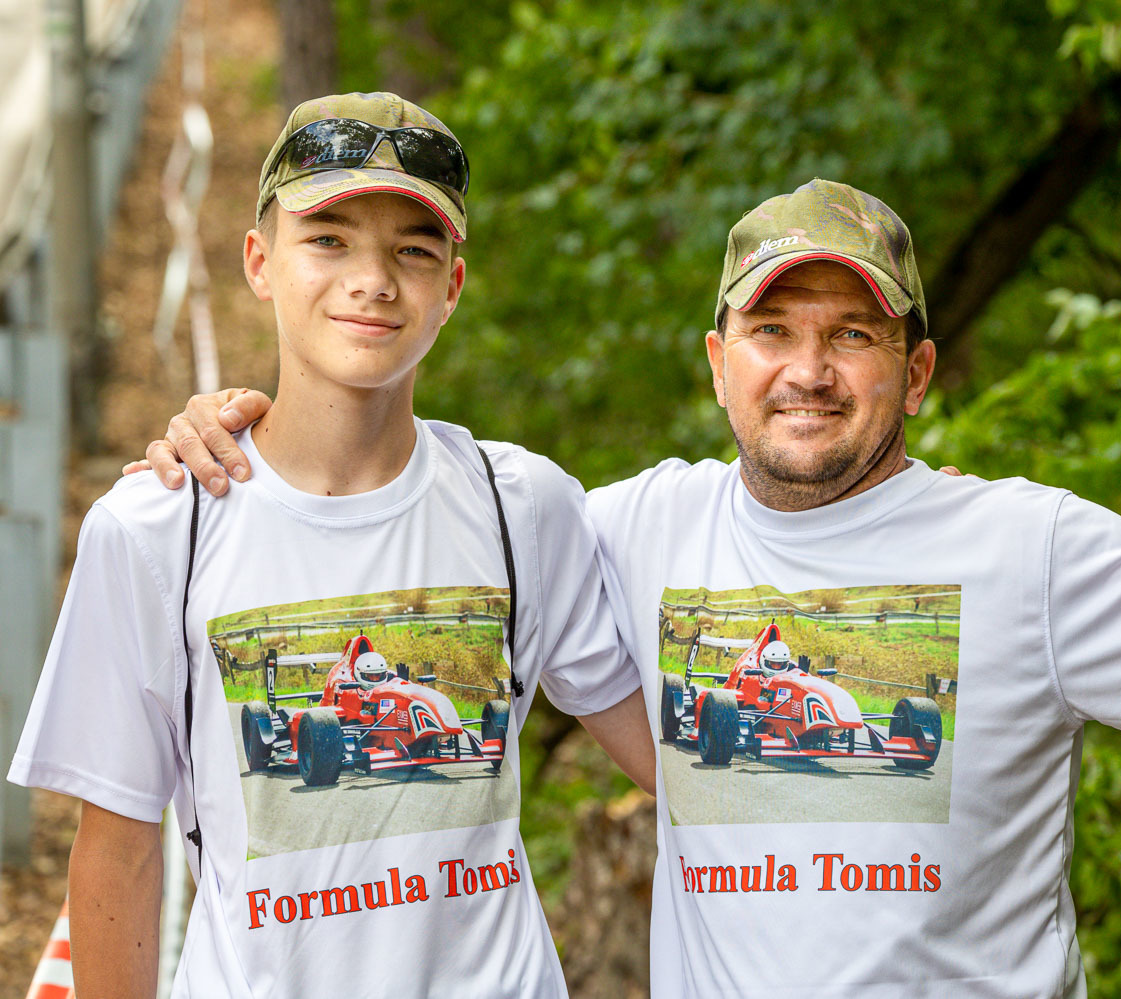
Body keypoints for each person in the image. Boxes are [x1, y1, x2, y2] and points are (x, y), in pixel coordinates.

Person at [135, 178, 1121, 997]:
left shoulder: (1028, 548)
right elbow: (377, 537)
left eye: (851, 334)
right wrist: (243, 433)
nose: (806, 369)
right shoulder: (612, 529)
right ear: (718, 362)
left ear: (913, 370)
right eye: (772, 328)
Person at [9, 92, 653, 999]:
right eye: (328, 239)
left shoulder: (524, 505)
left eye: (413, 250)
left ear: (451, 287)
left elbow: (685, 767)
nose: (373, 280)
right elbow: (117, 851)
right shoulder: (158, 527)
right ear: (259, 261)